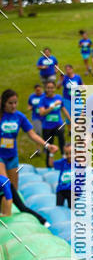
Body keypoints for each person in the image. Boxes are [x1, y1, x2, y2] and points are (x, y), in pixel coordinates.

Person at [0, 89, 57, 222]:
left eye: (15, 103)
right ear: (4, 103)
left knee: (14, 190)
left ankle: (11, 215)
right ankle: (4, 217)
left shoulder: (19, 116)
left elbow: (32, 134)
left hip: (12, 157)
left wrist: (47, 145)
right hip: (0, 157)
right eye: (10, 103)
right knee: (4, 184)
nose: (13, 106)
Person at [38, 80, 70, 168]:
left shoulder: (59, 97)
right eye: (48, 88)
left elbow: (63, 109)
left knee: (61, 134)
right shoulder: (43, 99)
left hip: (57, 124)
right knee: (49, 147)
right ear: (46, 89)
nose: (50, 89)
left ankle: (64, 154)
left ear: (54, 88)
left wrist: (70, 119)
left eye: (52, 88)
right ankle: (49, 165)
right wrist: (52, 106)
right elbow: (42, 113)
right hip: (47, 127)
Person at [53, 143, 72, 208]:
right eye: (67, 154)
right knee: (59, 208)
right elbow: (51, 164)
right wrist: (51, 154)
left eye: (71, 153)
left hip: (72, 190)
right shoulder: (63, 162)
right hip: (61, 190)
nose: (69, 156)